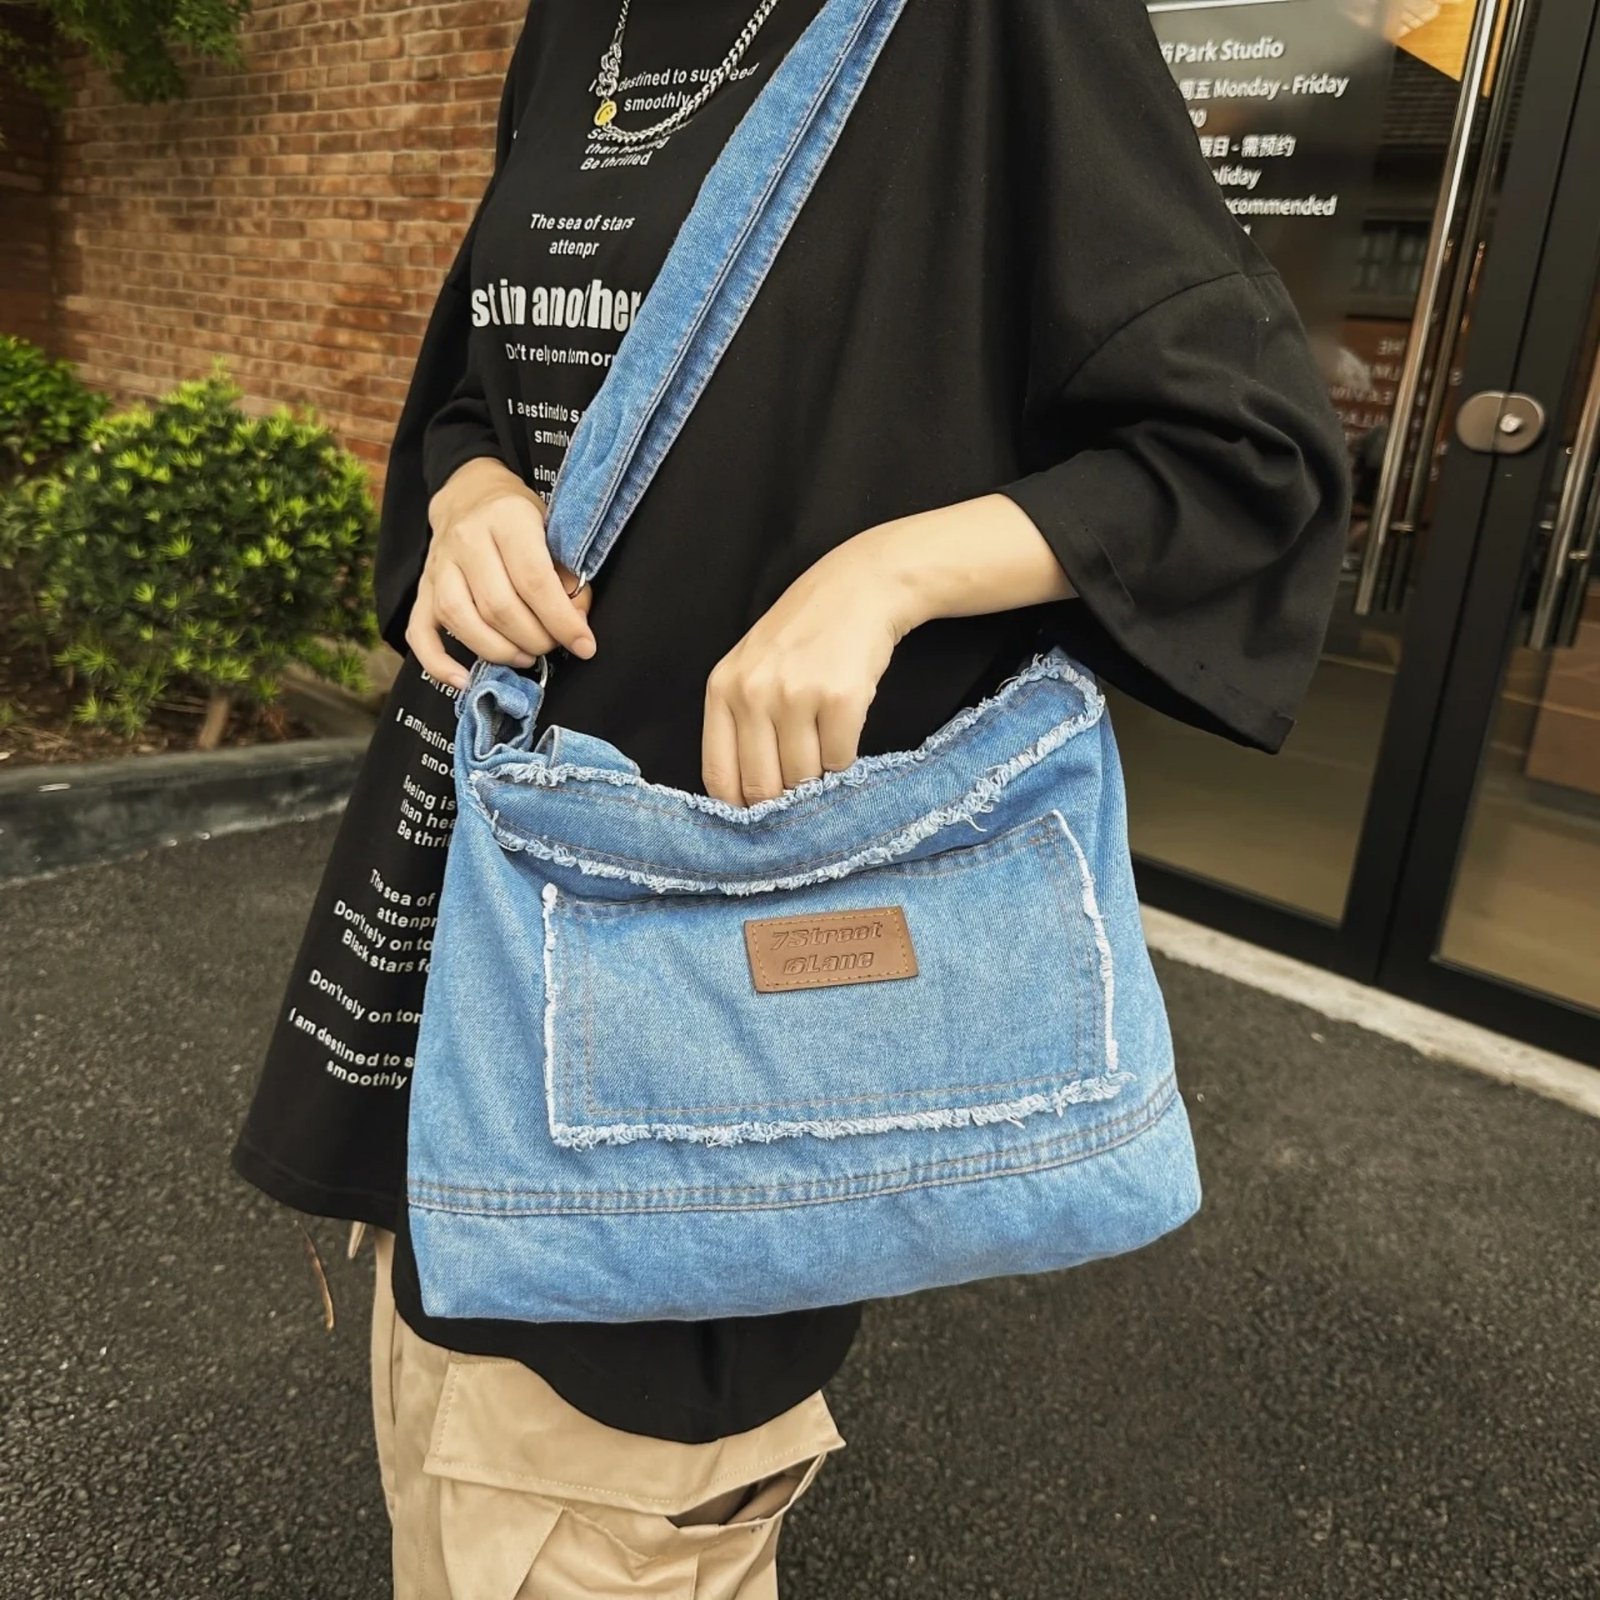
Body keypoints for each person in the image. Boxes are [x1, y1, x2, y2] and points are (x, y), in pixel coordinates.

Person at [231, 0, 1353, 1594]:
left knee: (590, 1509)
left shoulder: (989, 30)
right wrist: (468, 491)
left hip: (707, 985)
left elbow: (1244, 459)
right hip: (474, 917)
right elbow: (486, 388)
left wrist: (887, 578)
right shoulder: (578, 23)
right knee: (445, 1462)